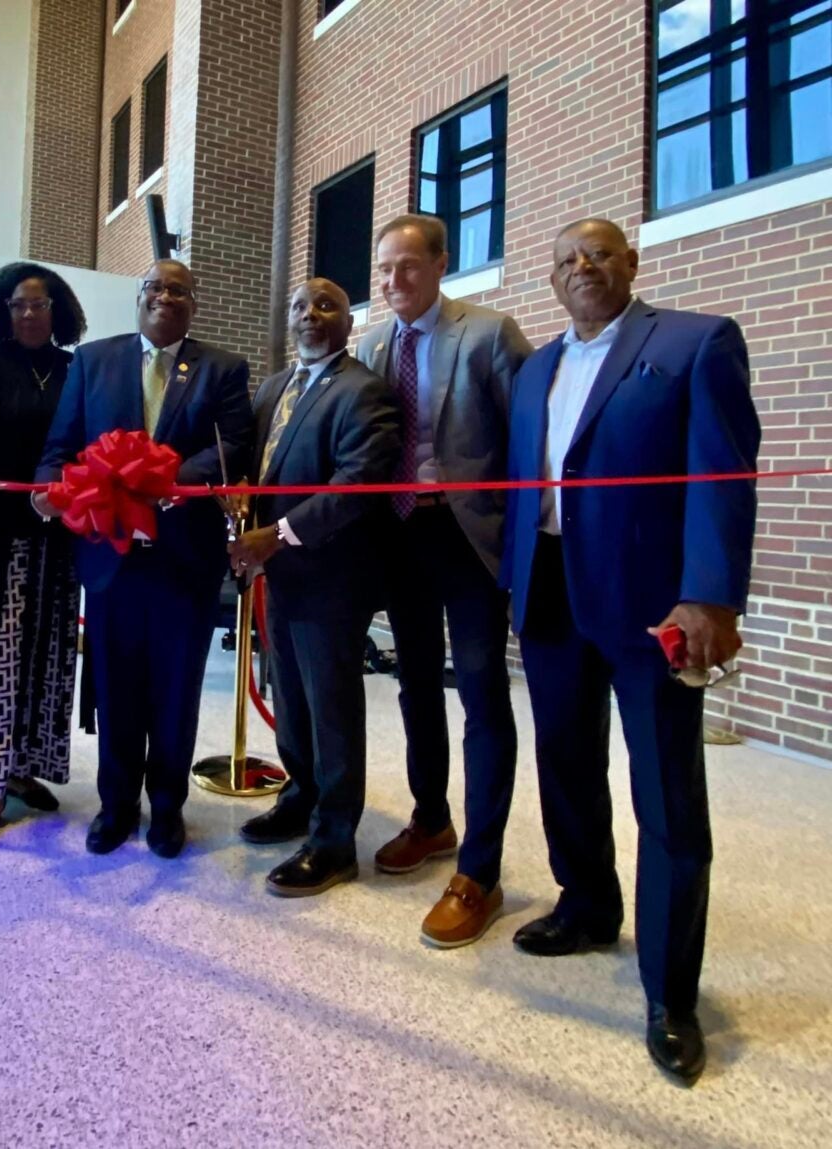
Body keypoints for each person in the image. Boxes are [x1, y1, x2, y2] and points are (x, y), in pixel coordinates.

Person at [502, 218, 760, 1084]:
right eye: (568, 257)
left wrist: (711, 595)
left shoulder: (693, 342)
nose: (585, 266)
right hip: (548, 599)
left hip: (655, 610)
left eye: (601, 253)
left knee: (667, 796)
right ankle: (585, 905)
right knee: (565, 766)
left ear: (632, 264)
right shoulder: (534, 367)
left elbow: (722, 473)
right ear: (550, 278)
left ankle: (670, 993)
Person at [36, 259, 252, 858]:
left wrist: (156, 480)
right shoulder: (94, 360)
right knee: (117, 687)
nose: (165, 296)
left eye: (178, 289)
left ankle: (167, 809)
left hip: (185, 560)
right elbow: (61, 445)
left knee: (176, 691)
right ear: (138, 298)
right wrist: (47, 489)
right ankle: (116, 805)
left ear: (193, 303)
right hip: (111, 561)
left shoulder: (223, 369)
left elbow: (233, 447)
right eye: (154, 287)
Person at [356, 214, 532, 947]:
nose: (395, 281)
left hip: (468, 533)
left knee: (484, 688)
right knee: (415, 680)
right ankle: (432, 818)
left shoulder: (489, 334)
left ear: (440, 265)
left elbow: (529, 443)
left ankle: (481, 871)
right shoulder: (370, 344)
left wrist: (525, 548)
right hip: (399, 530)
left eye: (408, 266)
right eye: (385, 268)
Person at [229, 278, 402, 897]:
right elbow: (258, 466)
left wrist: (274, 535)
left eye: (326, 304)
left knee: (330, 707)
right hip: (281, 574)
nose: (309, 315)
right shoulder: (276, 387)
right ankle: (299, 798)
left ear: (348, 321)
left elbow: (355, 486)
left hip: (332, 575)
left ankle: (334, 841)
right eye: (299, 305)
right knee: (293, 700)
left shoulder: (364, 391)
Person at [0, 262, 87, 857]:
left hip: (58, 535)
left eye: (40, 303)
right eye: (19, 304)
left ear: (59, 309)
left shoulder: (77, 369)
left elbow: (89, 440)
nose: (29, 313)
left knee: (45, 656)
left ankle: (22, 767)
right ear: (3, 311)